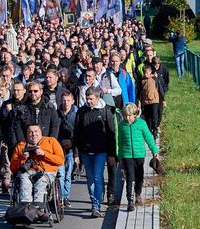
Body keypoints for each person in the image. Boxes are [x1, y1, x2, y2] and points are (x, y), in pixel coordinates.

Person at [74, 86, 116, 218]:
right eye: (87, 98)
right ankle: (95, 199)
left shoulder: (105, 111)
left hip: (101, 150)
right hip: (86, 151)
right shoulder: (81, 112)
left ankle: (96, 206)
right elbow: (77, 133)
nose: (88, 101)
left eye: (91, 98)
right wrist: (77, 153)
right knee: (90, 179)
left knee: (97, 177)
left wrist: (111, 154)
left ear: (98, 98)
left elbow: (111, 133)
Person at [115, 103, 159, 211]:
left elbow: (148, 137)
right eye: (125, 115)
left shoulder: (141, 124)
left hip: (139, 155)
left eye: (130, 115)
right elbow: (119, 141)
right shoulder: (122, 126)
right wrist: (119, 156)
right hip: (127, 155)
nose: (127, 118)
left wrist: (154, 150)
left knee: (139, 177)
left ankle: (137, 194)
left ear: (135, 114)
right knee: (130, 177)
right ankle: (130, 200)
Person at [9, 124, 64, 205]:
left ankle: (39, 209)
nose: (33, 134)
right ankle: (25, 208)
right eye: (30, 132)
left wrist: (44, 154)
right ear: (26, 134)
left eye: (36, 131)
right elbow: (13, 168)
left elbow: (61, 161)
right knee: (24, 182)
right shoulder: (21, 145)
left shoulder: (51, 141)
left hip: (46, 172)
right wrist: (23, 158)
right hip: (27, 172)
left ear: (41, 132)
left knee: (40, 184)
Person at [56, 91, 77, 207]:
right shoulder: (57, 113)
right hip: (59, 147)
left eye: (68, 100)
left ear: (72, 101)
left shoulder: (76, 113)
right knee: (60, 173)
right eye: (64, 100)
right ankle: (61, 196)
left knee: (68, 173)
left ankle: (66, 196)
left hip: (71, 148)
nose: (66, 103)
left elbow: (78, 132)